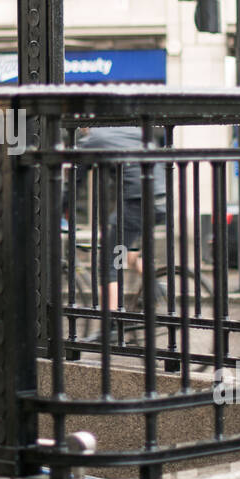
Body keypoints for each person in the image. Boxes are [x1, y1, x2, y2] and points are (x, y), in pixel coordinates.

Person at [75, 125, 166, 348]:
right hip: (161, 200)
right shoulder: (132, 131)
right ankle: (155, 285)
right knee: (127, 251)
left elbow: (76, 180)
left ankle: (111, 326)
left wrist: (61, 206)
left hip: (136, 203)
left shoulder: (94, 138)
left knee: (108, 263)